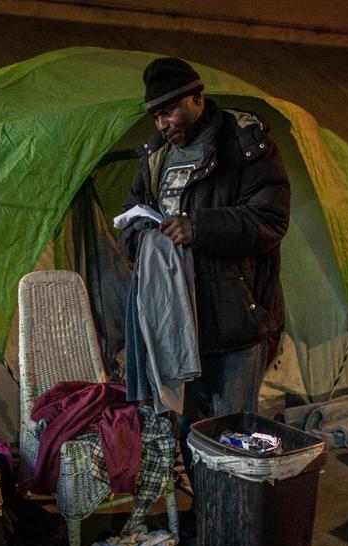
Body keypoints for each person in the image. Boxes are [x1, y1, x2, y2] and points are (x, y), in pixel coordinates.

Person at [118, 56, 291, 449]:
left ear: (198, 98)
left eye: (170, 112)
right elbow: (128, 223)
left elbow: (270, 220)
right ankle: (204, 511)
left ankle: (230, 513)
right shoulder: (155, 155)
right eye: (156, 116)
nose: (163, 125)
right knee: (190, 435)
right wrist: (143, 236)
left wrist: (198, 227)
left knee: (232, 436)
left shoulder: (246, 144)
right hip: (177, 325)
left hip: (236, 321)